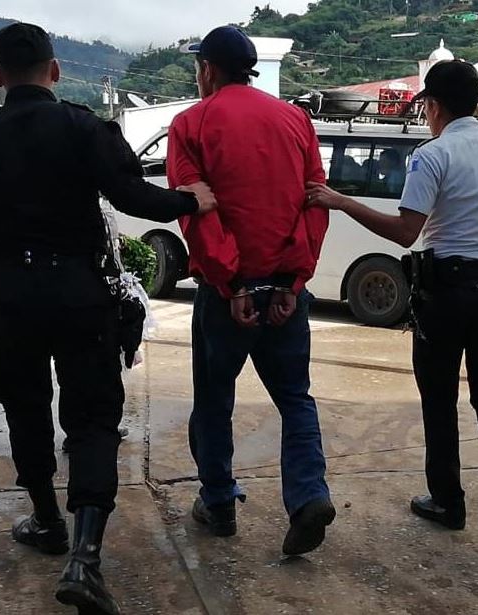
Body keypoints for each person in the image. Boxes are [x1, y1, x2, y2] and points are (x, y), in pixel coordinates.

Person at [0, 23, 215, 614]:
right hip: (82, 293)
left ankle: (44, 520)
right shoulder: (87, 127)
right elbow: (135, 198)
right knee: (91, 419)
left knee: (25, 407)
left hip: (10, 297)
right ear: (55, 72)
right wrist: (193, 200)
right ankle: (84, 556)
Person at [306, 60, 478, 553]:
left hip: (445, 294)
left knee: (439, 399)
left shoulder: (432, 155)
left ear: (434, 106)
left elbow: (404, 231)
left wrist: (341, 201)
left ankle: (448, 501)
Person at [168, 25, 336, 556]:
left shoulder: (191, 123)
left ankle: (218, 503)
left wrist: (233, 282)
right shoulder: (295, 119)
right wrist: (292, 280)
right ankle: (308, 496)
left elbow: (197, 212)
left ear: (208, 70)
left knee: (215, 401)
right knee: (295, 399)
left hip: (228, 296)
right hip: (287, 291)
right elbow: (315, 201)